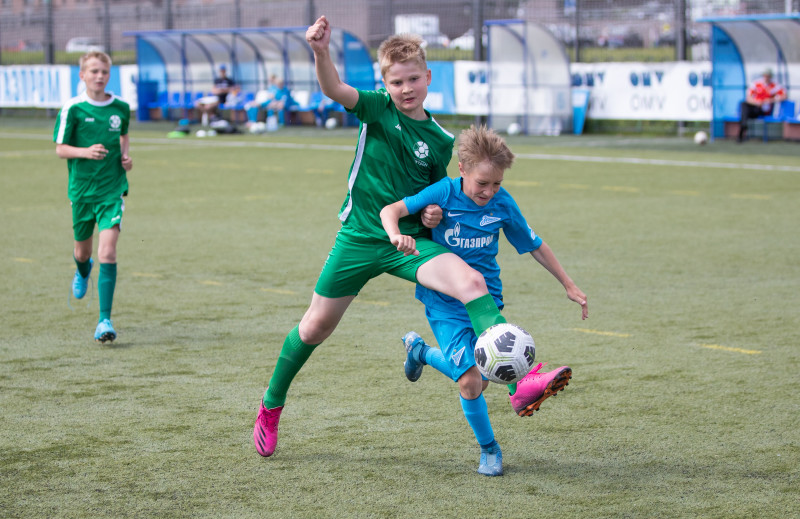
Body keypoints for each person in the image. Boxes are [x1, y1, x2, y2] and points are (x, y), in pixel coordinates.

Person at [253, 16, 520, 458]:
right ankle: (271, 404)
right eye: (396, 81)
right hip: (360, 236)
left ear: (428, 77)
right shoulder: (376, 108)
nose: (406, 88)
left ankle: (520, 375)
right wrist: (321, 52)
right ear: (385, 83)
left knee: (472, 282)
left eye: (413, 78)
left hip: (409, 244)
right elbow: (334, 90)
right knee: (315, 325)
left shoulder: (440, 140)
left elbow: (436, 200)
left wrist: (433, 214)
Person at [379, 125, 588, 476]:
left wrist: (568, 283)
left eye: (497, 184)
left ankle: (422, 353)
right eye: (482, 184)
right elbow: (391, 210)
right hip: (445, 303)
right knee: (471, 382)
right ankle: (490, 447)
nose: (489, 192)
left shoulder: (503, 204)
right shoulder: (443, 193)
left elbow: (534, 244)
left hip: (487, 303)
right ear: (461, 169)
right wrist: (396, 234)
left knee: (485, 374)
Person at [53, 50, 133, 343]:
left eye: (104, 72)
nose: (100, 76)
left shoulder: (121, 107)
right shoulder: (72, 109)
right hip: (82, 191)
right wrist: (85, 152)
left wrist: (126, 157)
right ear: (82, 75)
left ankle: (104, 320)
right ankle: (82, 270)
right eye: (94, 71)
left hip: (112, 189)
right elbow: (60, 148)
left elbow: (123, 136)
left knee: (108, 253)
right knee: (83, 253)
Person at [738, 68, 786, 142]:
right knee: (744, 105)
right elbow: (748, 97)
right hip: (755, 106)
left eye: (768, 76)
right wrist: (757, 102)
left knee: (745, 112)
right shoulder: (757, 84)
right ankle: (743, 125)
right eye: (765, 75)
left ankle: (743, 128)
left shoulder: (774, 86)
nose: (766, 77)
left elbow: (784, 96)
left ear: (770, 76)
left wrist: (770, 100)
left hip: (763, 110)